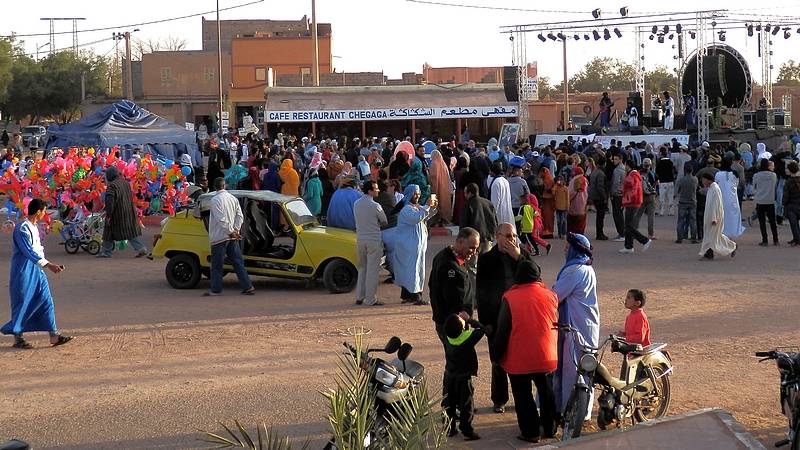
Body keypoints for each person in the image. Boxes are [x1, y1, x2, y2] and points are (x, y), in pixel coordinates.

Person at [492, 259, 558, 443]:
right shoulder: (551, 295)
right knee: (547, 394)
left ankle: (530, 432)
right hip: (546, 356)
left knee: (523, 397)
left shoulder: (510, 298)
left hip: (519, 359)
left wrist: (496, 355)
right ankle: (550, 428)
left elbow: (502, 330)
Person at [476, 223, 534, 414]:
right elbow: (481, 293)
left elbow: (535, 275)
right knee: (498, 361)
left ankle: (522, 399)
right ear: (497, 236)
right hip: (497, 316)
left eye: (513, 236)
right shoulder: (487, 259)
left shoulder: (521, 255)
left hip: (519, 317)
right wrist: (486, 323)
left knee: (521, 360)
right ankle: (499, 399)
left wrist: (518, 257)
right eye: (507, 236)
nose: (511, 240)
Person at [1, 199, 73, 349]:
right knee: (22, 303)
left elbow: (38, 250)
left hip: (37, 269)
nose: (45, 214)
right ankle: (18, 338)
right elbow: (28, 252)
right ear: (39, 211)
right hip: (23, 270)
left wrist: (47, 264)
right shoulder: (22, 228)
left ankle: (54, 335)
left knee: (46, 300)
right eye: (44, 211)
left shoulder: (33, 227)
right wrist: (49, 265)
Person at [429, 227, 479, 414]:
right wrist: (461, 316)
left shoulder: (453, 259)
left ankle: (456, 405)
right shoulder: (447, 264)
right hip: (452, 326)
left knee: (455, 364)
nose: (473, 252)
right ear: (460, 242)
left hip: (454, 322)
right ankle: (456, 406)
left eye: (475, 248)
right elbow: (449, 296)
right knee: (458, 367)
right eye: (471, 247)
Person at [552, 233, 598, 420]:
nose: (564, 250)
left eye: (566, 247)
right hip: (584, 326)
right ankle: (580, 412)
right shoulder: (586, 268)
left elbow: (555, 295)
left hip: (575, 328)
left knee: (573, 369)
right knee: (584, 370)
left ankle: (570, 411)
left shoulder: (575, 271)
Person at [205, 177, 255, 296]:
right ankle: (247, 286)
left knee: (217, 265)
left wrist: (230, 231)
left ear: (215, 187)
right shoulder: (233, 198)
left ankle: (216, 289)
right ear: (225, 186)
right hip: (232, 236)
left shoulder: (215, 200)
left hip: (220, 237)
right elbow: (240, 216)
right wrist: (236, 229)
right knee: (238, 262)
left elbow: (221, 219)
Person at [443, 313, 487, 441]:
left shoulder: (447, 338)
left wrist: (463, 323)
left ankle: (450, 428)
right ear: (462, 330)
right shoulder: (468, 339)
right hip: (464, 377)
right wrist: (469, 319)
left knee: (448, 403)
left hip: (449, 375)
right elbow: (481, 329)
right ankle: (466, 429)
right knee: (466, 404)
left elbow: (458, 330)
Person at [394, 184, 437, 304]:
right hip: (409, 246)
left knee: (414, 269)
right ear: (409, 194)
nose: (417, 195)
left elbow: (424, 216)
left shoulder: (416, 207)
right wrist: (428, 206)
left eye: (418, 193)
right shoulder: (406, 209)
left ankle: (408, 295)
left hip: (415, 245)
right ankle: (415, 296)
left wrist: (432, 208)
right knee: (412, 270)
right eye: (415, 193)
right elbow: (417, 218)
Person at [98, 166, 148, 258]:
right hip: (128, 211)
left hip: (117, 213)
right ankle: (141, 248)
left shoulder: (112, 186)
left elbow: (110, 202)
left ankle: (106, 252)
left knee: (108, 231)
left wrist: (109, 215)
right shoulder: (125, 183)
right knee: (129, 231)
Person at [353, 181, 387, 306]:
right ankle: (371, 298)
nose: (377, 190)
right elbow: (384, 220)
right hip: (373, 239)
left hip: (360, 238)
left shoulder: (356, 203)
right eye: (375, 189)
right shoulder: (375, 205)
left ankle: (359, 296)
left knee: (362, 268)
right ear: (369, 191)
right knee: (372, 270)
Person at [699, 173, 737, 260]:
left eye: (703, 180)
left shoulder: (715, 189)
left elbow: (716, 205)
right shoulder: (711, 188)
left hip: (714, 217)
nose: (702, 182)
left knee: (714, 236)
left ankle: (731, 246)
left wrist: (714, 218)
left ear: (707, 180)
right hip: (711, 216)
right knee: (712, 235)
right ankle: (709, 252)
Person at [460, 182, 497, 268]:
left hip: (472, 241)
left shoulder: (467, 205)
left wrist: (463, 239)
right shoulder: (488, 203)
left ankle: (474, 282)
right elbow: (495, 222)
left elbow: (464, 225)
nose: (464, 195)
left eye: (465, 193)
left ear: (470, 193)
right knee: (486, 266)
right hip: (487, 240)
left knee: (471, 267)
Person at [619, 159, 652, 254]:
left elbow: (630, 186)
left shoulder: (632, 175)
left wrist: (624, 193)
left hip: (632, 202)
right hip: (633, 201)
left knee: (628, 225)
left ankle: (644, 240)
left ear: (628, 166)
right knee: (629, 225)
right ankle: (628, 246)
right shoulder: (635, 175)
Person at [714, 158, 745, 240]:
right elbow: (737, 185)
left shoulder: (718, 174)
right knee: (733, 218)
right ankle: (732, 235)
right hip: (733, 200)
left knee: (722, 217)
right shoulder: (735, 174)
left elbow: (716, 184)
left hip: (721, 199)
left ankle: (722, 234)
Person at [752, 158, 779, 246]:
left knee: (762, 222)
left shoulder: (756, 175)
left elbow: (754, 187)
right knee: (772, 221)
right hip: (770, 200)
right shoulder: (773, 175)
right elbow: (775, 185)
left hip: (760, 200)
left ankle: (765, 240)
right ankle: (776, 239)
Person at [675, 165, 699, 243]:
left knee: (681, 220)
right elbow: (697, 188)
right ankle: (693, 238)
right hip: (692, 201)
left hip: (682, 201)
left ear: (685, 171)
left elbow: (676, 192)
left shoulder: (681, 180)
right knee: (693, 221)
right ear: (692, 171)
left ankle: (679, 238)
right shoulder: (695, 179)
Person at [429, 149, 453, 225]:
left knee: (434, 205)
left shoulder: (434, 164)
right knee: (443, 203)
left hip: (435, 189)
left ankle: (434, 221)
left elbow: (433, 178)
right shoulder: (444, 164)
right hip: (444, 189)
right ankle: (444, 219)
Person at [636, 158, 658, 240]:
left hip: (641, 195)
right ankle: (650, 234)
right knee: (651, 216)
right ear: (650, 165)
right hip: (651, 196)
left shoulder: (639, 173)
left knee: (638, 215)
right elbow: (656, 182)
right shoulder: (652, 173)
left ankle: (635, 231)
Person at [487, 161, 514, 226]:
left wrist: (491, 216)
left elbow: (495, 203)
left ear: (492, 171)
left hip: (500, 216)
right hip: (507, 212)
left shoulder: (496, 183)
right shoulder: (505, 180)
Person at [588, 156, 609, 240]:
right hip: (599, 196)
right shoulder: (600, 173)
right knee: (600, 216)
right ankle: (600, 233)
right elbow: (600, 187)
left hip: (594, 195)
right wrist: (604, 197)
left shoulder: (595, 171)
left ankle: (599, 233)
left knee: (599, 216)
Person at [783, 161, 800, 246]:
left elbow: (786, 195)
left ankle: (797, 239)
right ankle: (796, 238)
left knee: (794, 224)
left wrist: (784, 203)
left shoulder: (788, 182)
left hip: (791, 204)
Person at [567, 166, 588, 234]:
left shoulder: (573, 180)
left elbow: (570, 193)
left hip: (574, 205)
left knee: (573, 225)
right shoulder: (585, 180)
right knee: (581, 225)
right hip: (583, 205)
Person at [655, 148, 676, 216]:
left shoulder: (659, 163)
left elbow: (657, 172)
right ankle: (671, 211)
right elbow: (674, 171)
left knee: (662, 197)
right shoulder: (670, 162)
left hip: (662, 182)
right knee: (670, 197)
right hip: (670, 181)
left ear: (661, 154)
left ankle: (661, 211)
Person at [610, 154, 626, 241]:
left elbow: (615, 183)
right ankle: (622, 232)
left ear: (620, 160)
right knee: (620, 214)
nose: (614, 161)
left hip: (617, 194)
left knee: (617, 214)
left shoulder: (617, 170)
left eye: (616, 159)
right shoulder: (624, 169)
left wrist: (612, 193)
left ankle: (621, 233)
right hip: (622, 194)